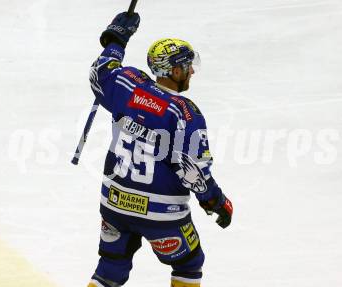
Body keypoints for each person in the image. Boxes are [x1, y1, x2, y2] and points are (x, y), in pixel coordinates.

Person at [87, 11, 233, 287]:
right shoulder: (184, 113)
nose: (192, 71)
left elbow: (100, 71)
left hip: (115, 202)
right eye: (188, 66)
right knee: (189, 264)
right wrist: (215, 201)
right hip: (160, 214)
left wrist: (117, 37)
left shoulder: (128, 84)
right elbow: (193, 171)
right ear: (175, 71)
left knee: (110, 268)